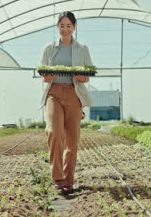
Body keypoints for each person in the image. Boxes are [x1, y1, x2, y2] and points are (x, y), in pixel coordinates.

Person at [39, 11, 93, 195]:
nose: (65, 29)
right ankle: (57, 177)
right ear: (57, 27)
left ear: (74, 27)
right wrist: (50, 75)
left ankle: (68, 181)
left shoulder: (82, 48)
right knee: (54, 132)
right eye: (62, 26)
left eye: (68, 26)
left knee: (72, 138)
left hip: (73, 92)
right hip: (53, 92)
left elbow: (86, 77)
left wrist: (77, 74)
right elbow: (44, 78)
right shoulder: (49, 48)